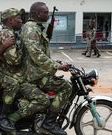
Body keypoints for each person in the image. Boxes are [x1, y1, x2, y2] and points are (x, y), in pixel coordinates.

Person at [21, 2, 72, 135]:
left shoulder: (37, 27)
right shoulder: (31, 28)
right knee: (66, 87)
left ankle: (44, 118)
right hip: (35, 75)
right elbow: (36, 54)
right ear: (37, 13)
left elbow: (41, 52)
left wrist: (55, 62)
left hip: (39, 72)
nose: (48, 14)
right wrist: (57, 66)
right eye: (45, 12)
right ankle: (48, 123)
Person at [0, 8, 50, 127]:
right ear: (10, 20)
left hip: (16, 76)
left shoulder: (11, 33)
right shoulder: (7, 34)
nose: (21, 21)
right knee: (42, 100)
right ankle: (6, 118)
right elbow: (14, 60)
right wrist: (26, 53)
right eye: (18, 18)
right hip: (13, 77)